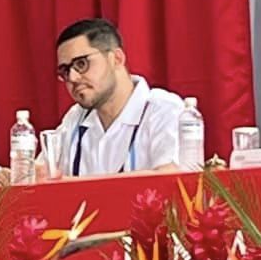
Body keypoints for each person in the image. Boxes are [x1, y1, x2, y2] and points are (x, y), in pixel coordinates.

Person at [47, 18, 186, 177]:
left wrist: (70, 185)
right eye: (65, 71)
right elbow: (40, 173)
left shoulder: (164, 109)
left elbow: (169, 178)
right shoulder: (75, 117)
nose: (72, 77)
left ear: (117, 59)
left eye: (81, 64)